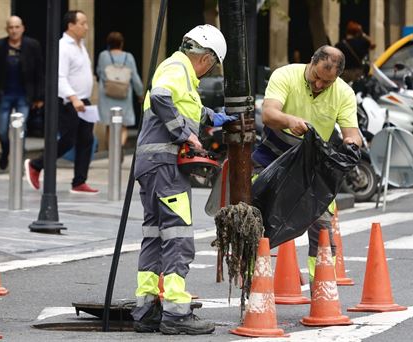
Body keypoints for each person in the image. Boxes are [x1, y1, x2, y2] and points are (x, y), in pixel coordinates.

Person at [130, 24, 235, 335]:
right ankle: (176, 311)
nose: (208, 70)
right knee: (178, 237)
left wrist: (208, 115)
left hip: (150, 166)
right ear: (206, 58)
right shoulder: (177, 66)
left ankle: (147, 307)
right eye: (212, 64)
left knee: (154, 234)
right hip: (166, 167)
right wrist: (184, 133)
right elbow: (162, 97)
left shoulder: (177, 72)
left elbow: (176, 101)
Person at [252, 45, 362, 283]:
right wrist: (289, 120)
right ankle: (255, 281)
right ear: (311, 63)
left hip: (312, 165)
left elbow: (352, 133)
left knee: (322, 225)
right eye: (317, 77)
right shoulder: (285, 75)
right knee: (255, 215)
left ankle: (323, 289)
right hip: (273, 158)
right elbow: (269, 114)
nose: (320, 85)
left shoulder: (344, 93)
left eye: (327, 82)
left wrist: (352, 143)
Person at [25, 10, 98, 194]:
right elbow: (59, 77)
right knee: (67, 140)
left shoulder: (81, 46)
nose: (86, 27)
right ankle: (36, 165)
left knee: (86, 140)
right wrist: (73, 98)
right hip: (69, 101)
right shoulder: (63, 47)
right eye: (82, 23)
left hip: (83, 101)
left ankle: (79, 182)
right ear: (71, 25)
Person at [0, 16, 44, 170]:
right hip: (4, 94)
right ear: (6, 29)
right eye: (11, 27)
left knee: (20, 127)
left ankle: (18, 158)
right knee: (2, 130)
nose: (14, 31)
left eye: (17, 27)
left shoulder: (32, 46)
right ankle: (6, 151)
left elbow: (39, 72)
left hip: (24, 95)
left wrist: (40, 97)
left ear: (22, 28)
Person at [96, 31, 143, 154]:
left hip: (107, 94)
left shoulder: (103, 56)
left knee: (108, 125)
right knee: (123, 125)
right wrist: (140, 94)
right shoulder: (129, 57)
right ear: (121, 44)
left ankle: (112, 152)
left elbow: (100, 72)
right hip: (124, 94)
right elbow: (135, 78)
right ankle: (120, 145)